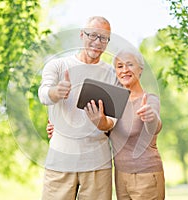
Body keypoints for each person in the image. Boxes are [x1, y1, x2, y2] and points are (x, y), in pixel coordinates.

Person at [47, 48, 165, 199]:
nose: (125, 70)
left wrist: (151, 117)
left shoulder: (149, 99)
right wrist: (58, 128)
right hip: (121, 176)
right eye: (120, 66)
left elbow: (155, 127)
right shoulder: (113, 102)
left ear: (140, 69)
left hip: (146, 174)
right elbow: (101, 129)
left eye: (130, 65)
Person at [38, 16, 119, 200]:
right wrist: (55, 92)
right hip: (60, 162)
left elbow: (112, 122)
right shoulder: (58, 66)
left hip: (98, 165)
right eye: (93, 35)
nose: (97, 42)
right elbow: (43, 93)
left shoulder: (113, 74)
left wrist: (102, 122)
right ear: (82, 35)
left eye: (104, 38)